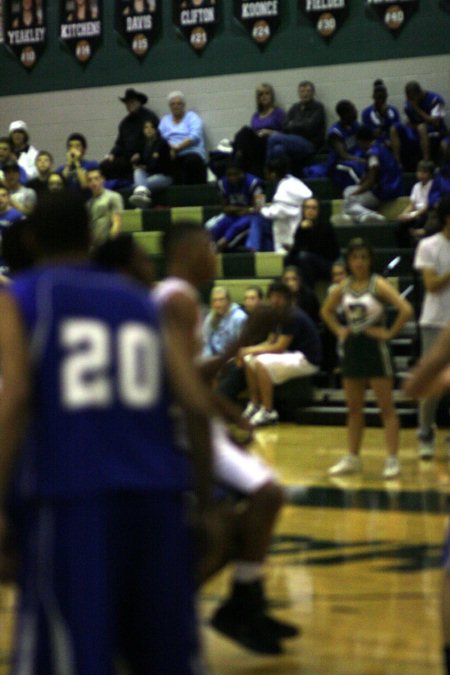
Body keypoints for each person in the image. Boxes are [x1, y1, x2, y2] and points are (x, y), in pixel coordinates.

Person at [0, 191, 208, 673]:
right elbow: (196, 407)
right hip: (158, 499)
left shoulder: (24, 296)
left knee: (72, 657)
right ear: (91, 237)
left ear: (30, 239)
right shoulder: (140, 300)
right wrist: (205, 504)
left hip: (73, 499)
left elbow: (14, 401)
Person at [153, 223, 297, 654]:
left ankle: (242, 600)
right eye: (209, 245)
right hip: (176, 428)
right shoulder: (175, 299)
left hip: (192, 421)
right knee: (247, 511)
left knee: (243, 519)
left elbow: (188, 377)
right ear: (189, 251)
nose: (215, 253)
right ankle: (189, 611)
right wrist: (245, 339)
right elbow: (176, 380)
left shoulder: (182, 299)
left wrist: (226, 408)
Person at [321, 238, 413, 479]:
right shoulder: (343, 287)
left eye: (363, 257)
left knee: (386, 408)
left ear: (370, 260)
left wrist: (390, 333)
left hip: (376, 350)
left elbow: (406, 309)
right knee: (353, 409)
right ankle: (352, 457)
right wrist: (340, 330)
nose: (359, 262)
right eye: (355, 258)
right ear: (349, 261)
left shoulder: (378, 284)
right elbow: (325, 311)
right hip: (352, 349)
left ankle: (392, 459)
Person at [240, 280, 321, 426]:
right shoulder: (277, 314)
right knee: (248, 359)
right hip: (292, 355)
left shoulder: (292, 315)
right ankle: (255, 404)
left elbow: (279, 347)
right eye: (272, 296)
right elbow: (271, 341)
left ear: (287, 298)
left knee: (260, 362)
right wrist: (247, 351)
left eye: (279, 296)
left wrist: (250, 349)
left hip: (307, 359)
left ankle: (268, 411)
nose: (275, 300)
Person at [412, 195, 450, 459]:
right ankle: (425, 431)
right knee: (432, 384)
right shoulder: (428, 246)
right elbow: (431, 285)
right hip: (435, 322)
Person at [246, 156, 312, 253]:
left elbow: (276, 212)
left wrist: (260, 209)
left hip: (292, 231)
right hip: (291, 222)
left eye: (267, 173)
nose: (266, 176)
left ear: (273, 174)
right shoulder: (292, 181)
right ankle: (263, 252)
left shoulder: (284, 190)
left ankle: (253, 249)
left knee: (257, 218)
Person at [342, 125, 403, 224]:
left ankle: (372, 215)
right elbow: (366, 176)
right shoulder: (380, 146)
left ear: (361, 141)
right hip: (393, 187)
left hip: (384, 191)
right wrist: (358, 188)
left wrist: (356, 193)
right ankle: (362, 218)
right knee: (348, 190)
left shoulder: (373, 154)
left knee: (349, 202)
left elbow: (371, 181)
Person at [305, 100, 365, 193]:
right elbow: (343, 155)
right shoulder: (335, 133)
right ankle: (361, 190)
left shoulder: (355, 125)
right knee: (355, 167)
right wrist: (360, 160)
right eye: (353, 109)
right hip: (339, 163)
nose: (356, 111)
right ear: (345, 114)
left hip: (354, 157)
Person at [102, 88, 159, 185]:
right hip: (127, 157)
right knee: (105, 165)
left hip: (146, 156)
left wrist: (141, 154)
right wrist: (111, 154)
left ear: (139, 102)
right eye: (127, 103)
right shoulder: (125, 123)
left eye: (132, 102)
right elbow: (120, 144)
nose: (129, 105)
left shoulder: (150, 117)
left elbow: (155, 140)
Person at [266, 81, 325, 173]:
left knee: (273, 138)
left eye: (308, 91)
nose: (305, 94)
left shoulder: (318, 108)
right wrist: (299, 125)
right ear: (299, 93)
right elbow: (285, 126)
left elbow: (309, 127)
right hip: (293, 141)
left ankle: (268, 170)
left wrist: (293, 125)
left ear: (313, 93)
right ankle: (282, 176)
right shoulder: (295, 108)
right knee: (278, 149)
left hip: (310, 144)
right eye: (302, 91)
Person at [208, 160, 265, 251]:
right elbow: (225, 208)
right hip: (232, 216)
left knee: (236, 227)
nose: (232, 178)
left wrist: (237, 209)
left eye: (235, 174)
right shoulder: (222, 183)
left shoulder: (255, 183)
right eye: (229, 175)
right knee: (215, 228)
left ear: (242, 173)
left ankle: (220, 245)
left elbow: (259, 209)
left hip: (251, 218)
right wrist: (244, 210)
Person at [390, 81, 447, 170]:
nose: (409, 100)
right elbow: (408, 121)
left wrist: (417, 108)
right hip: (415, 128)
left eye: (412, 97)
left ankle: (426, 162)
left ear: (419, 93)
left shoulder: (435, 100)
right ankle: (397, 163)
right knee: (395, 128)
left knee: (421, 127)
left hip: (435, 130)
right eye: (408, 97)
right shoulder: (409, 102)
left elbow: (436, 122)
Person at [284, 196, 340, 287]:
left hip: (326, 265)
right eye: (307, 207)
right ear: (303, 210)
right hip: (307, 263)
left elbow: (329, 253)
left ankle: (307, 292)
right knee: (287, 259)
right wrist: (302, 231)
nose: (310, 210)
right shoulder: (301, 227)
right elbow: (296, 250)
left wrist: (308, 231)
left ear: (318, 211)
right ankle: (287, 290)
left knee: (304, 257)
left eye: (314, 208)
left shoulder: (325, 227)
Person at [233, 83, 286, 177]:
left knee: (245, 133)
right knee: (244, 131)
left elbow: (285, 133)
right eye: (261, 94)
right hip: (256, 142)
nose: (264, 96)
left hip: (269, 142)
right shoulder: (256, 115)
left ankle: (238, 164)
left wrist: (269, 132)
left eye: (267, 93)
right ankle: (239, 160)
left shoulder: (278, 112)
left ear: (271, 96)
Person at [159, 91, 207, 185]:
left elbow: (195, 136)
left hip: (191, 152)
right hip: (171, 153)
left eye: (179, 103)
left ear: (184, 105)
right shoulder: (165, 120)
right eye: (173, 104)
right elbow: (160, 138)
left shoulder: (192, 117)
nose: (176, 106)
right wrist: (170, 148)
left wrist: (177, 148)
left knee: (191, 162)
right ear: (170, 106)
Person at [129, 119, 172, 207]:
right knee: (137, 172)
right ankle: (142, 201)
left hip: (164, 176)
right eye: (146, 127)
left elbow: (160, 166)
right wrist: (135, 162)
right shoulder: (143, 145)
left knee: (138, 187)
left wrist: (144, 167)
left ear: (156, 129)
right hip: (149, 174)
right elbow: (140, 164)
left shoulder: (162, 143)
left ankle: (141, 208)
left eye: (151, 127)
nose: (149, 130)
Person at [396, 159, 434, 247]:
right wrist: (404, 214)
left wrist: (413, 215)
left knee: (419, 222)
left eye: (424, 172)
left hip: (426, 213)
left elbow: (428, 206)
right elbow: (412, 205)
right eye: (419, 171)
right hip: (416, 213)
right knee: (400, 227)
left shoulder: (434, 185)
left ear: (430, 174)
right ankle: (404, 251)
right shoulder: (416, 186)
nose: (421, 174)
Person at [202, 286, 247, 357]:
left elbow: (242, 346)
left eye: (221, 300)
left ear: (228, 301)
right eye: (215, 300)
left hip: (231, 358)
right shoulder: (211, 316)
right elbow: (205, 342)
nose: (218, 304)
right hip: (213, 358)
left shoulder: (239, 318)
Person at [86, 167, 123, 246]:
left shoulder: (113, 196)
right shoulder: (88, 204)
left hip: (109, 245)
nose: (93, 182)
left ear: (102, 179)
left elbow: (116, 223)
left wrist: (109, 245)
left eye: (96, 178)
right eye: (90, 180)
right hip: (94, 246)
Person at [57, 132, 99, 198]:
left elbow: (85, 185)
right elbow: (59, 185)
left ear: (84, 149)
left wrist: (76, 162)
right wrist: (68, 165)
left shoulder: (92, 165)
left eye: (77, 146)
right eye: (70, 146)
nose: (73, 149)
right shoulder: (61, 169)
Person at [361, 79, 400, 145]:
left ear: (386, 96)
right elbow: (371, 135)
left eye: (383, 97)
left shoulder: (393, 110)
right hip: (376, 144)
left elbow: (398, 130)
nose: (381, 101)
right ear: (373, 97)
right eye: (378, 98)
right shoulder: (366, 113)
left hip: (393, 142)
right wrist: (383, 117)